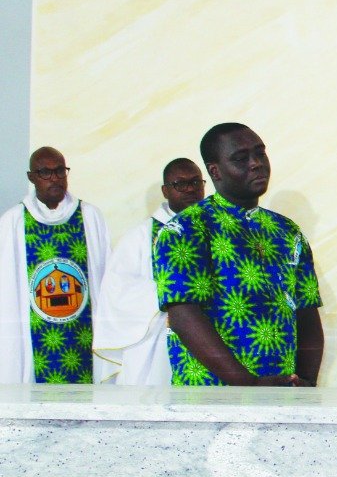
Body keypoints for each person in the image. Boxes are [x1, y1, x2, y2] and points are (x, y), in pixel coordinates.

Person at [153, 123, 323, 477]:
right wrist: (244, 387)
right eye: (240, 157)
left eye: (260, 152)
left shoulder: (287, 232)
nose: (255, 163)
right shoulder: (185, 230)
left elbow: (307, 318)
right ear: (214, 170)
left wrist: (304, 388)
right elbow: (184, 315)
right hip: (215, 402)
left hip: (278, 404)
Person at [0, 147, 110, 384]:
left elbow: (105, 283)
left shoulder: (90, 216)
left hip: (84, 338)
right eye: (45, 173)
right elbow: (7, 293)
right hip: (32, 341)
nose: (55, 179)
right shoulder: (13, 222)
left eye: (60, 171)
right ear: (31, 177)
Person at [94, 158, 207, 385]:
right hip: (158, 346)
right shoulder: (139, 237)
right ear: (165, 191)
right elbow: (117, 294)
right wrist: (176, 291)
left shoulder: (216, 228)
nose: (190, 190)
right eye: (180, 184)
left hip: (213, 338)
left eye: (196, 182)